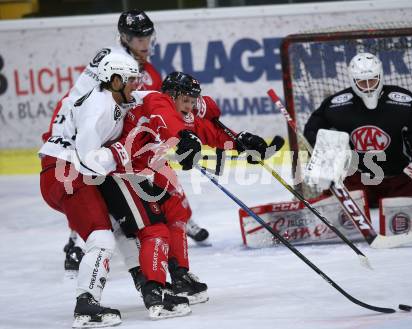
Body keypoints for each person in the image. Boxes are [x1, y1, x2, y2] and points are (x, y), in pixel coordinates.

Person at [41, 9, 207, 275]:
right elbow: (85, 101)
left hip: (104, 125)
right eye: (137, 38)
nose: (145, 44)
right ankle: (75, 242)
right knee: (86, 182)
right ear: (124, 38)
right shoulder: (113, 60)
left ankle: (182, 217)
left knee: (140, 167)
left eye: (147, 37)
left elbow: (149, 103)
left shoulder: (139, 66)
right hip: (81, 129)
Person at [39, 53, 191, 327]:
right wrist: (121, 152)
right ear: (115, 80)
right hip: (67, 173)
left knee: (121, 228)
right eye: (131, 79)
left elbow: (149, 98)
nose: (137, 84)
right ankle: (86, 305)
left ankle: (147, 285)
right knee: (102, 237)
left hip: (71, 171)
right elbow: (88, 161)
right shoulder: (98, 108)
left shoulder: (113, 96)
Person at [99, 71, 273, 305]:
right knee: (154, 227)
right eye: (186, 100)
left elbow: (208, 131)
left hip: (153, 165)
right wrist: (183, 139)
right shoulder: (155, 101)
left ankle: (179, 274)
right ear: (171, 95)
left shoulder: (182, 113)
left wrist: (241, 141)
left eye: (193, 102)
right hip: (126, 169)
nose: (190, 107)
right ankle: (151, 282)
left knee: (178, 209)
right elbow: (166, 121)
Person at [303, 52, 412, 207]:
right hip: (358, 182)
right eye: (362, 82)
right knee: (331, 209)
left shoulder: (404, 102)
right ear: (353, 81)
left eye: (372, 80)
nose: (368, 87)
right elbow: (311, 133)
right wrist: (331, 155)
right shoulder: (335, 105)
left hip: (401, 180)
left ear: (380, 76)